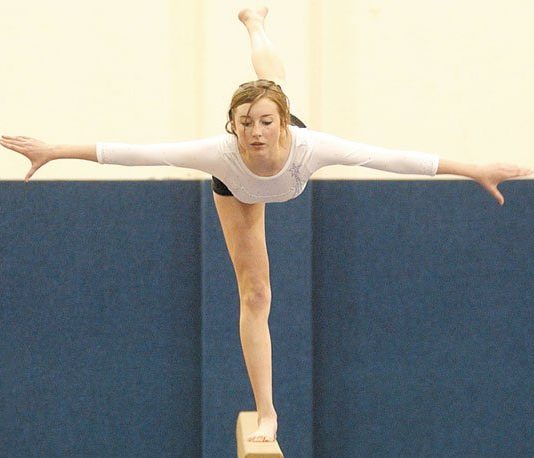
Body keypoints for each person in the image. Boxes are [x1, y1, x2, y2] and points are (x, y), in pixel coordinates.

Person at [0, 7, 531, 443]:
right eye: (244, 123)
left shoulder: (311, 146)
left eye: (265, 122)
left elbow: (393, 159)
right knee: (255, 295)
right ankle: (268, 411)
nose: (255, 132)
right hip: (239, 193)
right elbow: (134, 153)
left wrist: (473, 168)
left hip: (284, 168)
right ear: (231, 126)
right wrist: (55, 150)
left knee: (270, 80)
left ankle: (255, 23)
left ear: (283, 123)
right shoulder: (220, 152)